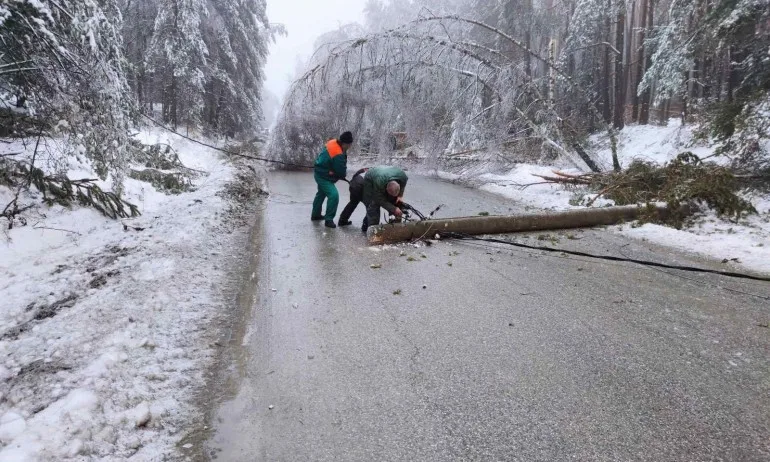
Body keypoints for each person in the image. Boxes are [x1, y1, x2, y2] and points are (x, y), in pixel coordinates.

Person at [311, 132, 353, 228]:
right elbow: (341, 172)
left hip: (319, 171)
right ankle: (328, 219)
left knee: (321, 194)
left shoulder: (333, 142)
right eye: (350, 144)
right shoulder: (338, 153)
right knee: (334, 195)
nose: (350, 146)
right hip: (323, 176)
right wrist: (336, 173)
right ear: (345, 143)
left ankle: (316, 215)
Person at [361, 166, 408, 233]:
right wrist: (394, 209)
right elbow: (378, 199)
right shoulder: (379, 182)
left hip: (386, 173)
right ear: (386, 189)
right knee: (373, 205)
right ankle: (371, 230)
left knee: (394, 202)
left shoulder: (403, 176)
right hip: (370, 178)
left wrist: (400, 195)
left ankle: (394, 228)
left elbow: (403, 184)